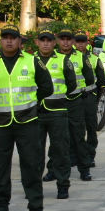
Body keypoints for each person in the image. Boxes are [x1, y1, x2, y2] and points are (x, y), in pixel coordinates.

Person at [0, 27, 54, 211]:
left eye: (13, 38)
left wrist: (32, 105)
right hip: (0, 124)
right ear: (1, 41)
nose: (9, 42)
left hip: (27, 122)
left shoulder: (31, 61)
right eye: (5, 38)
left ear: (19, 41)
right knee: (0, 168)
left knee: (31, 165)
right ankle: (1, 208)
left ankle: (36, 208)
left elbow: (47, 86)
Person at [35, 31, 76, 199]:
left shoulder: (63, 60)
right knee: (34, 152)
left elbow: (72, 84)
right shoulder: (30, 61)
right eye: (42, 41)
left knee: (61, 150)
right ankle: (33, 187)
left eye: (49, 41)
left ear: (54, 43)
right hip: (35, 113)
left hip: (58, 112)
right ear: (36, 42)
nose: (45, 44)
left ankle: (63, 185)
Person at [58, 30, 94, 181]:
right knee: (58, 139)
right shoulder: (50, 58)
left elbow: (90, 78)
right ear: (57, 41)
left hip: (75, 101)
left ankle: (84, 169)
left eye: (68, 39)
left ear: (72, 41)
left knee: (78, 136)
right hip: (55, 104)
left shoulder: (81, 56)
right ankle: (54, 169)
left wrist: (80, 91)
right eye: (62, 39)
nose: (65, 42)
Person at [75, 33, 104, 168]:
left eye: (83, 42)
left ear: (88, 43)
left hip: (89, 97)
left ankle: (90, 155)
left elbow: (101, 81)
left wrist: (95, 97)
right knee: (76, 129)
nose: (80, 44)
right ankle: (76, 156)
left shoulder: (94, 59)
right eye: (78, 42)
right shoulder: (68, 58)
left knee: (91, 128)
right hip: (73, 98)